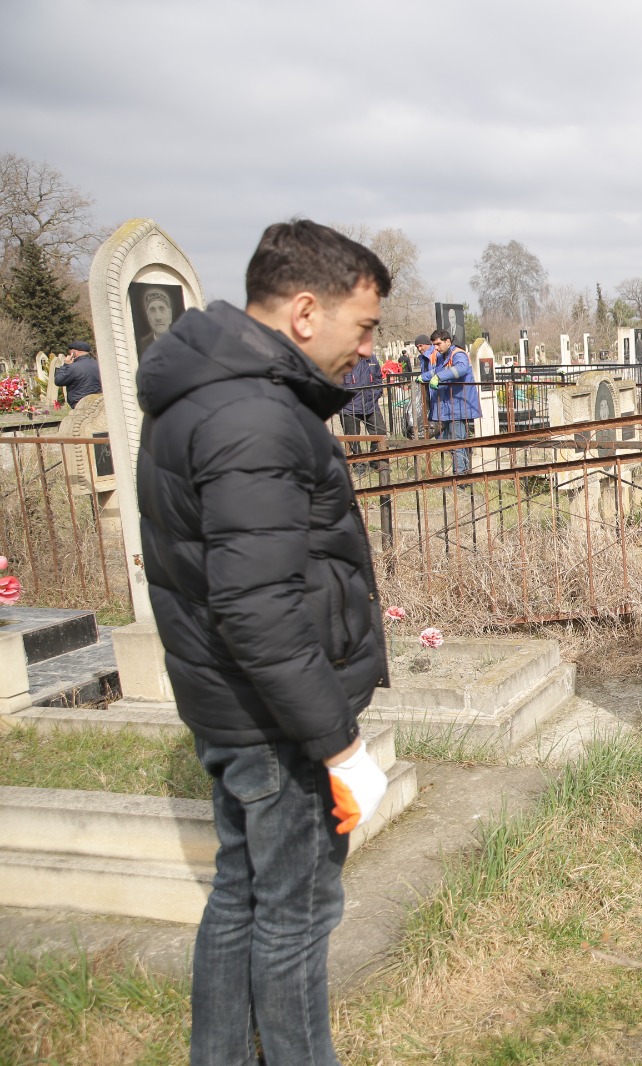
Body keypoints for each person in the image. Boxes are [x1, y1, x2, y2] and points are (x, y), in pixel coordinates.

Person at [134, 219, 393, 1064]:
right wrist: (339, 744)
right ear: (307, 311)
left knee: (242, 897)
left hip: (233, 703)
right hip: (275, 720)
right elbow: (258, 609)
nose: (369, 349)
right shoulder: (254, 415)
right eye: (364, 326)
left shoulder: (212, 390)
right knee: (296, 914)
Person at [419, 329, 480, 475]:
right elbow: (436, 371)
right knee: (452, 441)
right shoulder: (443, 356)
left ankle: (460, 476)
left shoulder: (458, 354)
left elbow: (461, 369)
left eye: (438, 344)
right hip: (449, 405)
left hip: (458, 404)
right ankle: (463, 473)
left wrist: (439, 377)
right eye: (434, 345)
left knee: (457, 440)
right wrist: (423, 377)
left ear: (448, 341)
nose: (436, 348)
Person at [339, 349, 388, 478]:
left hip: (370, 404)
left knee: (380, 432)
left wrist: (376, 393)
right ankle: (359, 465)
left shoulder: (371, 358)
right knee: (352, 438)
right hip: (349, 406)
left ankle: (376, 460)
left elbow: (378, 377)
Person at [53, 340, 101, 408]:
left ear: (74, 353)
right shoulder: (98, 364)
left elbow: (58, 380)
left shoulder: (73, 367)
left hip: (79, 403)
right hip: (98, 402)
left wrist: (65, 365)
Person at [136, 287, 177, 354]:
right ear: (148, 316)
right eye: (152, 310)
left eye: (162, 309)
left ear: (170, 314)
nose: (158, 317)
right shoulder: (141, 347)